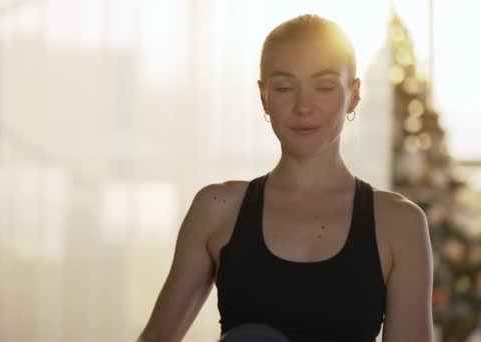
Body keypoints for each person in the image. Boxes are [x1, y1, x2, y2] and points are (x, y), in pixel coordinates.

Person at [138, 14, 433, 342]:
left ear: (354, 94)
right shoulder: (217, 208)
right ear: (264, 96)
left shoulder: (400, 223)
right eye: (284, 87)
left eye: (323, 87)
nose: (303, 106)